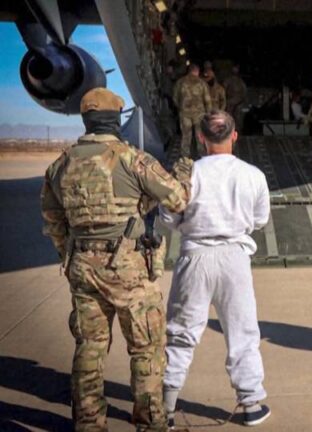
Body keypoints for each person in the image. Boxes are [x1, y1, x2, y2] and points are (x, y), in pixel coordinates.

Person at [40, 88, 192, 431]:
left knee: (89, 347)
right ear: (114, 119)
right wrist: (184, 171)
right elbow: (178, 199)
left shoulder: (60, 165)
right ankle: (151, 422)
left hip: (82, 267)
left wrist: (71, 255)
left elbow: (53, 220)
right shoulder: (132, 159)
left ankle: (89, 422)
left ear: (87, 120)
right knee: (146, 346)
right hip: (128, 270)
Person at [160, 110, 272, 427]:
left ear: (201, 137)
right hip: (235, 258)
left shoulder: (188, 175)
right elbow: (260, 220)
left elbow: (168, 217)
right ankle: (250, 404)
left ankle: (165, 407)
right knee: (242, 333)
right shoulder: (253, 175)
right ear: (234, 135)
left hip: (194, 257)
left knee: (181, 334)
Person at [173, 63, 211, 159]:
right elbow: (207, 100)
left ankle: (185, 156)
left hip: (185, 113)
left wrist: (181, 107)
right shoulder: (202, 83)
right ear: (197, 71)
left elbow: (175, 98)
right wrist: (208, 114)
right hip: (199, 114)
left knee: (186, 135)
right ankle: (202, 155)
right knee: (200, 135)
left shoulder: (180, 82)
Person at [223, 64, 248, 131]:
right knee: (229, 120)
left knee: (237, 120)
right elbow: (223, 91)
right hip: (231, 103)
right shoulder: (228, 80)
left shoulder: (240, 81)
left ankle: (236, 132)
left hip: (238, 103)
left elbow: (244, 93)